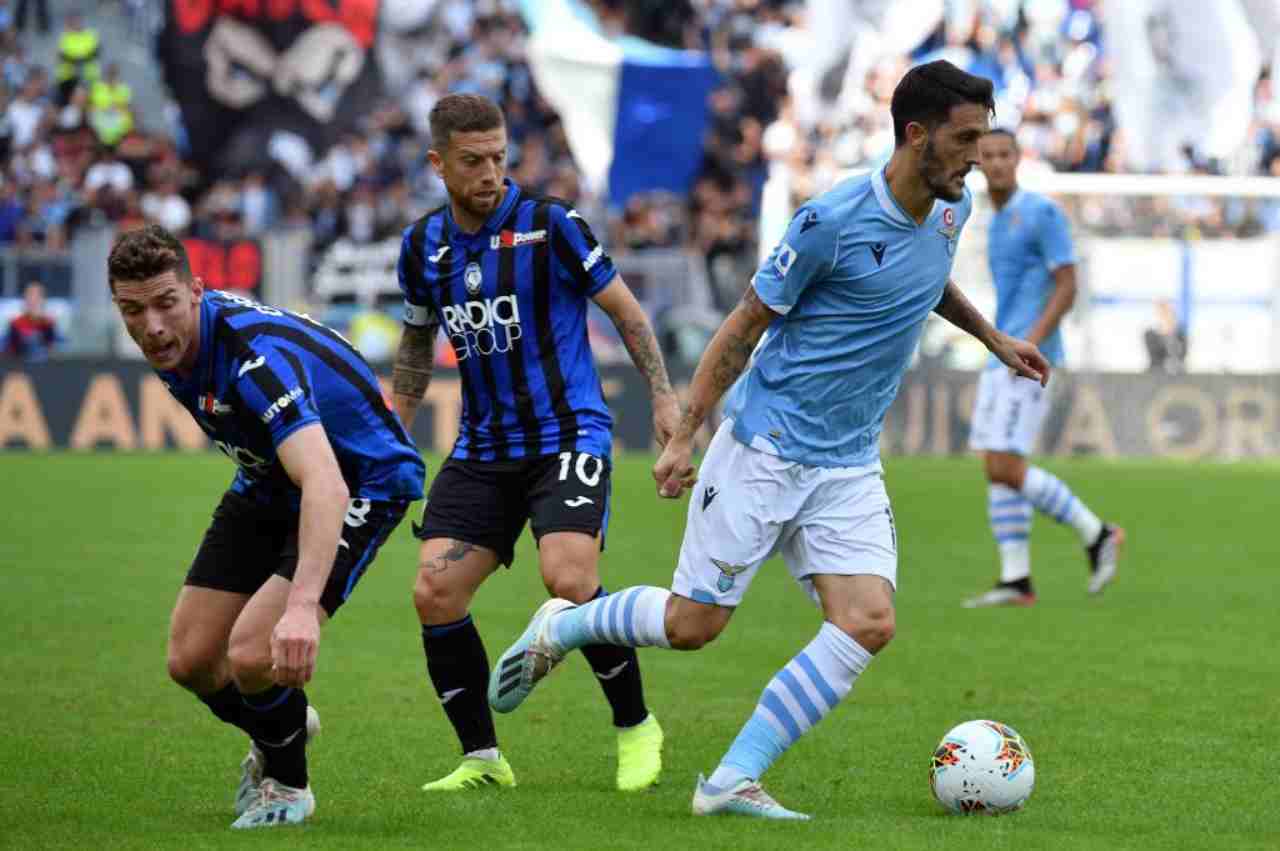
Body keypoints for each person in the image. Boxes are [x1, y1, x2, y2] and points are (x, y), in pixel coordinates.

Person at [486, 60, 1049, 820]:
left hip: (847, 460)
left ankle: (729, 781)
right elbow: (744, 325)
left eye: (983, 137)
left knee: (868, 621)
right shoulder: (831, 220)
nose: (977, 154)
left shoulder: (953, 208)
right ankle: (568, 623)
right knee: (694, 627)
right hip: (765, 447)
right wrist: (685, 434)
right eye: (965, 138)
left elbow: (929, 277)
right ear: (916, 135)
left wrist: (992, 336)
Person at [390, 94, 678, 793]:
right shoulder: (422, 246)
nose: (491, 172)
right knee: (434, 589)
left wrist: (667, 399)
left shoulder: (552, 226)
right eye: (472, 161)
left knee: (571, 579)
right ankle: (483, 760)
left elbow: (627, 314)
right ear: (438, 163)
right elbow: (415, 351)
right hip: (484, 447)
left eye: (499, 157)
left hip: (567, 432)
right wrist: (389, 436)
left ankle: (636, 724)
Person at [108, 225, 425, 829]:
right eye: (133, 310)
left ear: (195, 291)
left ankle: (289, 786)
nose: (151, 325)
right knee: (192, 659)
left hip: (360, 483)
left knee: (255, 650)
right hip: (270, 479)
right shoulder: (174, 343)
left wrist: (303, 608)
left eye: (165, 303)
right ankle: (283, 720)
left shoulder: (254, 360)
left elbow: (327, 483)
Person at [962, 129, 1124, 608]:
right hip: (1002, 353)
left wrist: (1031, 342)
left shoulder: (1040, 212)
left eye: (1004, 154)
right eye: (987, 156)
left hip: (1028, 357)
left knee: (1008, 464)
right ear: (978, 162)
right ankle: (1016, 579)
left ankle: (1097, 532)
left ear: (1018, 158)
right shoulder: (995, 220)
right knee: (996, 465)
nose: (995, 163)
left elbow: (1068, 285)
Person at [4, 281, 60, 360]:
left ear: (42, 300)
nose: (33, 300)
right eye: (30, 295)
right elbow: (9, 351)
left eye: (37, 296)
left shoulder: (49, 323)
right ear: (25, 299)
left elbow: (54, 350)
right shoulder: (15, 323)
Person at [1143, 299, 1187, 374]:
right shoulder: (1150, 335)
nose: (1166, 316)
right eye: (1162, 313)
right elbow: (1155, 357)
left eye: (1168, 312)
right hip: (1156, 373)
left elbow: (1182, 355)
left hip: (1178, 374)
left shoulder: (1180, 335)